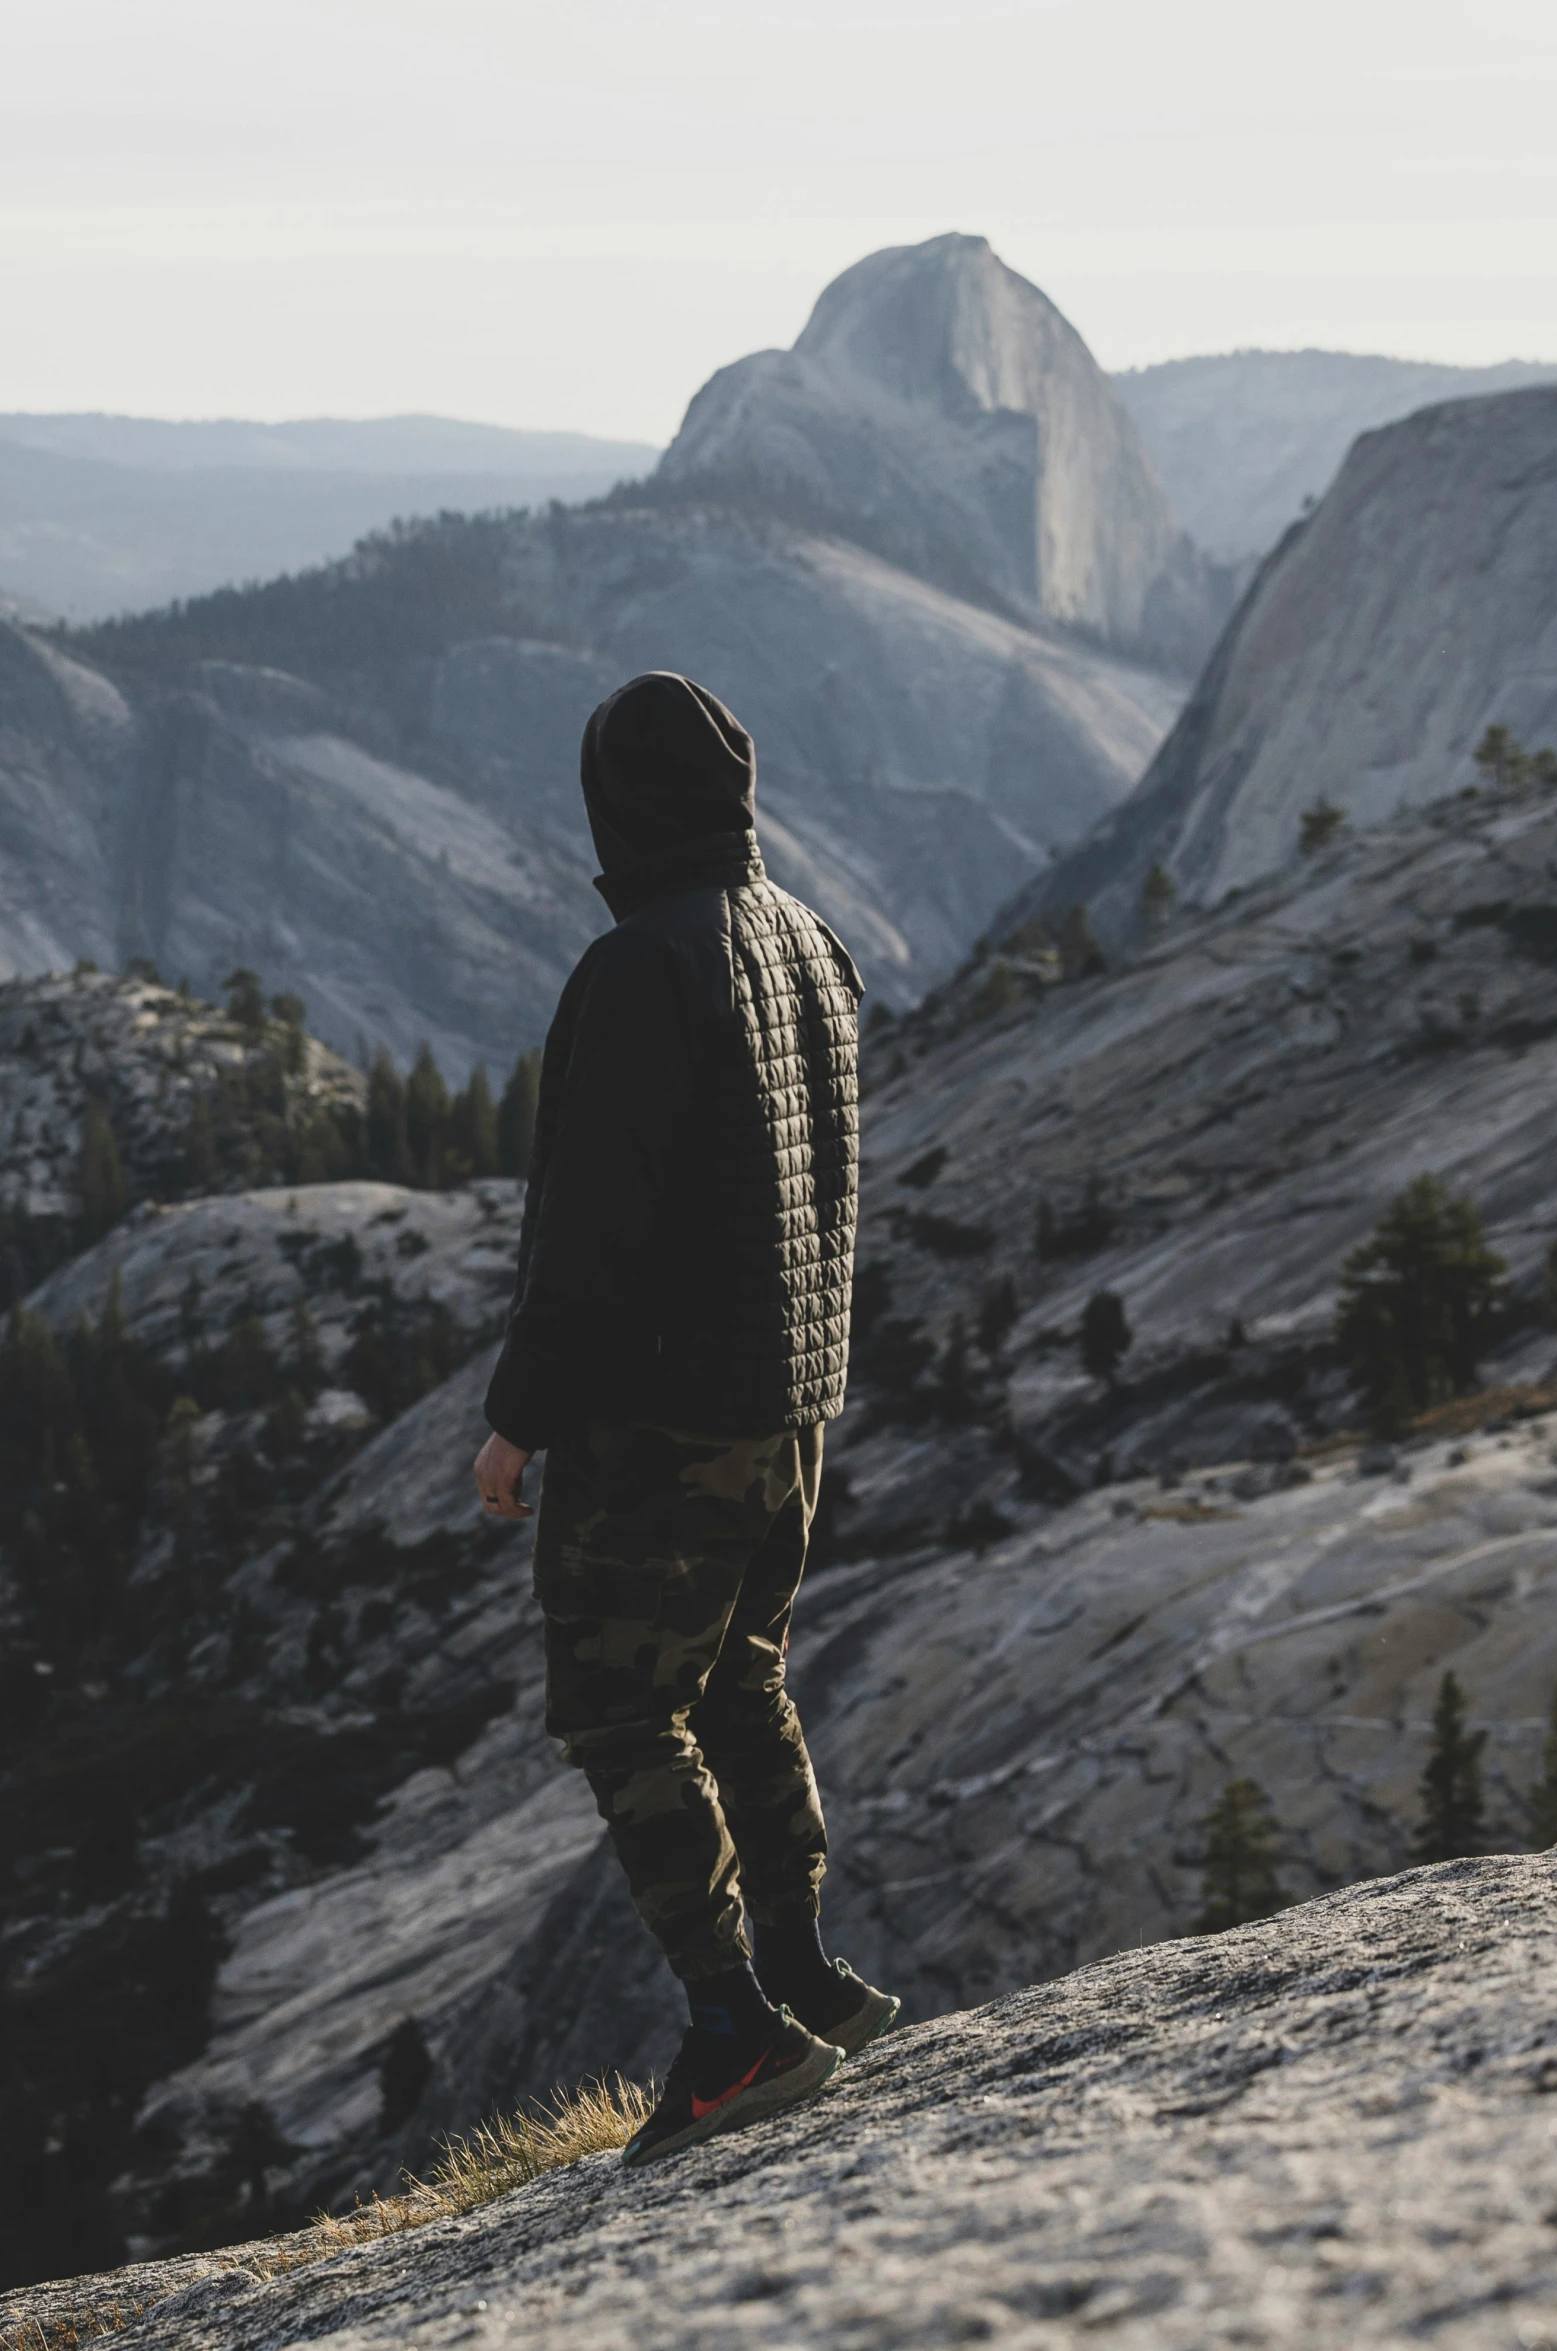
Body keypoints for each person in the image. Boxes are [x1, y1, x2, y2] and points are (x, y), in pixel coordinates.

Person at [472, 671, 898, 2168]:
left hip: (663, 1412)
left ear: (615, 806)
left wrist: (517, 1420)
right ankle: (803, 1973)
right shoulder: (807, 936)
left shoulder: (640, 967)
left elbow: (590, 1234)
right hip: (790, 1403)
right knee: (741, 1678)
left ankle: (732, 2032)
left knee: (618, 1703)